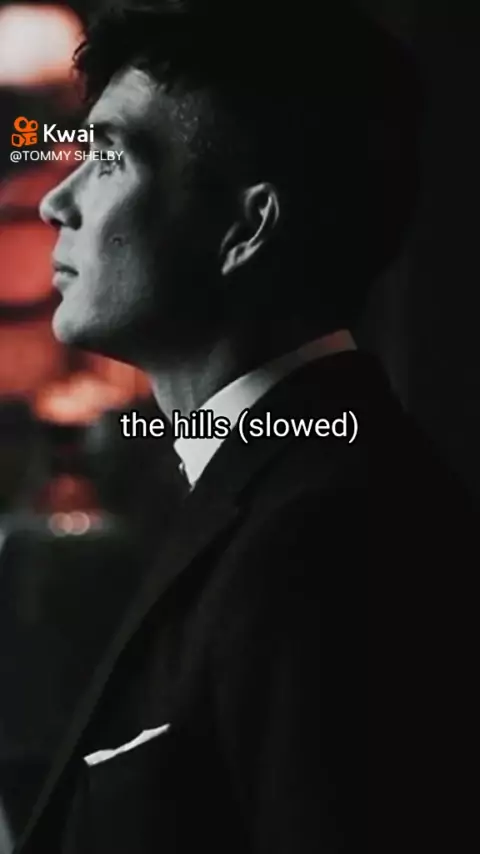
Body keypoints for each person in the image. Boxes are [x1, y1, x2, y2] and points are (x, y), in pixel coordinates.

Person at [16, 1, 474, 852]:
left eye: (109, 158)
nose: (56, 202)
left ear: (246, 226)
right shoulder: (265, 490)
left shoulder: (332, 532)